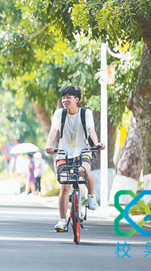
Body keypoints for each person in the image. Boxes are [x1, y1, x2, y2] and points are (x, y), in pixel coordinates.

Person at [45, 85, 105, 232]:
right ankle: (62, 220)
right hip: (63, 152)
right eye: (63, 97)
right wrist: (49, 145)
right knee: (65, 186)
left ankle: (91, 196)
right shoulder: (59, 114)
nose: (65, 100)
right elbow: (53, 130)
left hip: (82, 150)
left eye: (69, 97)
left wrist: (96, 143)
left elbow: (91, 129)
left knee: (84, 171)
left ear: (76, 99)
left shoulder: (86, 113)